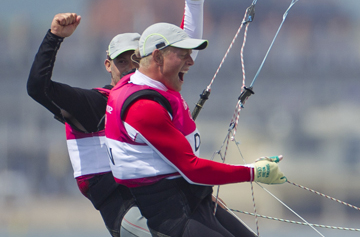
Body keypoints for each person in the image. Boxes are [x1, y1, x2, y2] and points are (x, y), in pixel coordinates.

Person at [26, 0, 206, 237]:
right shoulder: (94, 104)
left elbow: (185, 49)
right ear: (107, 65)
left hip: (171, 200)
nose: (129, 68)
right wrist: (54, 37)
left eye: (135, 60)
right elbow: (38, 88)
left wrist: (194, 1)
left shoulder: (153, 96)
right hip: (126, 209)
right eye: (122, 61)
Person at [105, 22, 287, 237]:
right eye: (184, 55)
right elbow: (192, 169)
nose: (191, 62)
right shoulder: (143, 108)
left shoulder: (146, 83)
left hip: (195, 203)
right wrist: (254, 172)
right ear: (157, 57)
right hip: (175, 219)